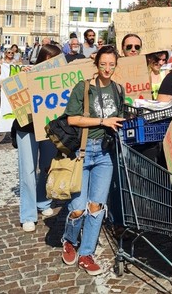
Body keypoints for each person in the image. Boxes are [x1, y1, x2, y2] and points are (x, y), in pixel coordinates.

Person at [61, 45, 125, 275]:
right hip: (83, 151)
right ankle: (69, 239)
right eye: (103, 64)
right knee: (78, 209)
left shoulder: (118, 89)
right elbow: (72, 119)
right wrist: (102, 121)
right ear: (96, 64)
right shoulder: (84, 87)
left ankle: (86, 253)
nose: (107, 68)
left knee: (96, 206)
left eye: (111, 64)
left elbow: (120, 118)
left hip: (106, 154)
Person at [13, 44, 62, 232]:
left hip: (50, 127)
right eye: (49, 60)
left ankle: (43, 200)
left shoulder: (61, 77)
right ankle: (28, 214)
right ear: (42, 60)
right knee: (27, 170)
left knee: (47, 166)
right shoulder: (28, 73)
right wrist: (23, 76)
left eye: (56, 60)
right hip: (27, 128)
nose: (52, 64)